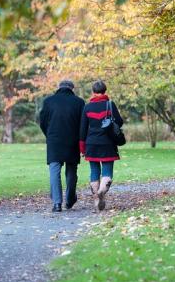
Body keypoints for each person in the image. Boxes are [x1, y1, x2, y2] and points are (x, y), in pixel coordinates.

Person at [39, 80, 85, 212]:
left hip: (54, 140)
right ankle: (70, 200)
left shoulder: (49, 101)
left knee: (54, 171)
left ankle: (57, 203)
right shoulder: (79, 102)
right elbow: (83, 124)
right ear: (72, 88)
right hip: (73, 140)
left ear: (58, 87)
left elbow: (42, 121)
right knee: (71, 171)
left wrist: (49, 134)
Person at [79, 80, 123, 211]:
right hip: (108, 143)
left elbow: (82, 129)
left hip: (91, 144)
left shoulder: (87, 107)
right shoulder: (110, 105)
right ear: (105, 90)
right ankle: (102, 190)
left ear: (93, 92)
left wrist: (82, 148)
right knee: (107, 171)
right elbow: (119, 122)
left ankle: (96, 195)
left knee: (94, 171)